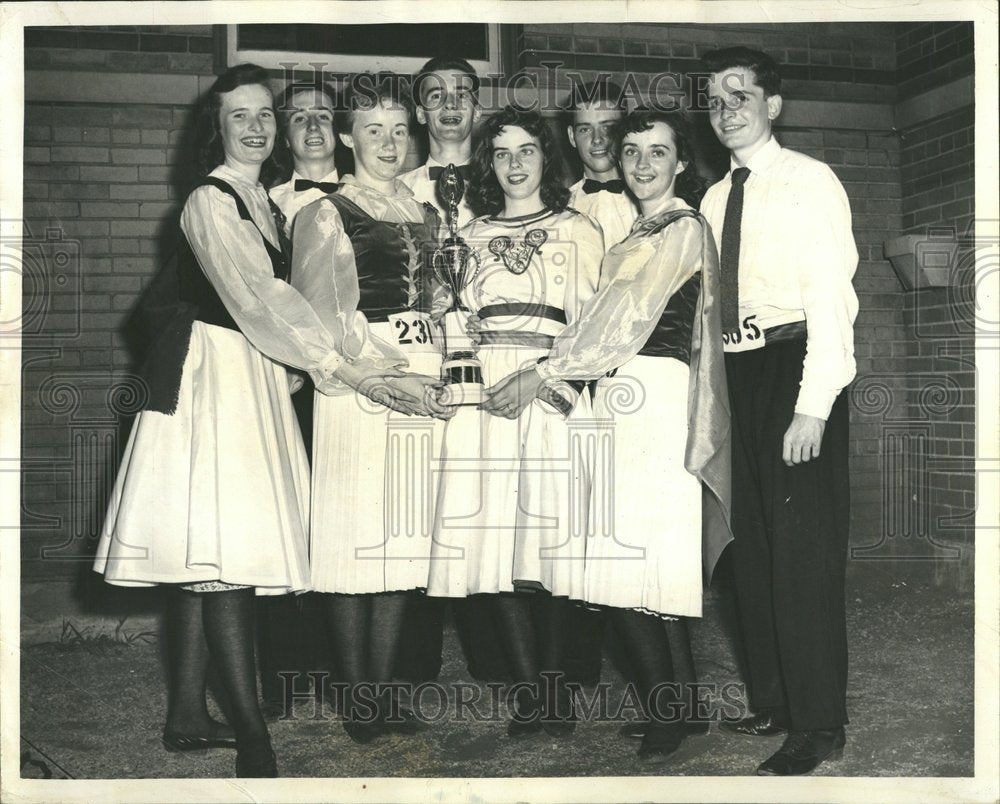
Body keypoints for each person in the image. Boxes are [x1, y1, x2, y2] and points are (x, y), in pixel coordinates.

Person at [93, 64, 356, 778]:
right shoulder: (211, 200)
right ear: (217, 126)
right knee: (224, 561)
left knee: (204, 557)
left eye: (262, 113)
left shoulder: (260, 198)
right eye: (238, 115)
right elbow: (259, 296)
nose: (255, 125)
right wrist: (333, 365)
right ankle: (251, 733)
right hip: (214, 380)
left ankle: (186, 716)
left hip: (248, 374)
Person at [484, 109, 732, 762]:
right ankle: (682, 708)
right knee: (643, 566)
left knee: (624, 564)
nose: (643, 164)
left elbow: (624, 320)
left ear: (683, 162)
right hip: (620, 396)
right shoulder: (636, 231)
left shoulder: (681, 226)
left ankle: (665, 714)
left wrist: (545, 372)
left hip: (648, 393)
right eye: (631, 152)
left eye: (658, 152)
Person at [700, 47, 858, 776]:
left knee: (800, 556)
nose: (726, 110)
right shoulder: (711, 197)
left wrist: (814, 407)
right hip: (735, 372)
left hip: (794, 366)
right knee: (749, 550)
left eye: (740, 96)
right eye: (715, 101)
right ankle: (773, 700)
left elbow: (832, 298)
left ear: (773, 105)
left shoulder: (808, 181)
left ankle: (818, 723)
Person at [427, 106, 604, 737]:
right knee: (490, 542)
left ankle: (557, 688)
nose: (514, 164)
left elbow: (591, 325)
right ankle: (529, 689)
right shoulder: (467, 236)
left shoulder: (578, 229)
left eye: (526, 150)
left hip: (545, 385)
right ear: (486, 164)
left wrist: (547, 382)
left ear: (546, 157)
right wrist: (470, 388)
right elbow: (452, 320)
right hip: (483, 396)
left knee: (546, 543)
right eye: (501, 154)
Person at [290, 74, 452, 744]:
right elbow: (320, 320)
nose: (389, 142)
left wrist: (441, 367)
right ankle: (357, 696)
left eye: (398, 129)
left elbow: (442, 304)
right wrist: (382, 378)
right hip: (359, 387)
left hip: (422, 377)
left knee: (403, 542)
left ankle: (384, 692)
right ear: (349, 138)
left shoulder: (429, 211)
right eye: (373, 130)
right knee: (356, 544)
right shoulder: (326, 213)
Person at [395, 55, 513, 687]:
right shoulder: (398, 186)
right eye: (435, 94)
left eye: (463, 93)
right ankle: (412, 666)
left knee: (486, 503)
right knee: (421, 505)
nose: (449, 104)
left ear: (477, 104)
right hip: (422, 363)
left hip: (491, 362)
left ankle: (500, 661)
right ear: (420, 109)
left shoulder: (508, 180)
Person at [254, 78, 342, 721]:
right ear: (284, 133)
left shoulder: (384, 193)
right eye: (299, 117)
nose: (313, 127)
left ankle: (349, 673)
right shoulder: (262, 205)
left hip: (366, 379)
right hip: (295, 382)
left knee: (348, 523)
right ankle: (286, 675)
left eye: (324, 116)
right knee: (290, 516)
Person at [565, 79, 638, 250]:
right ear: (571, 136)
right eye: (585, 129)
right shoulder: (560, 208)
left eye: (607, 127)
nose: (597, 139)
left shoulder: (650, 201)